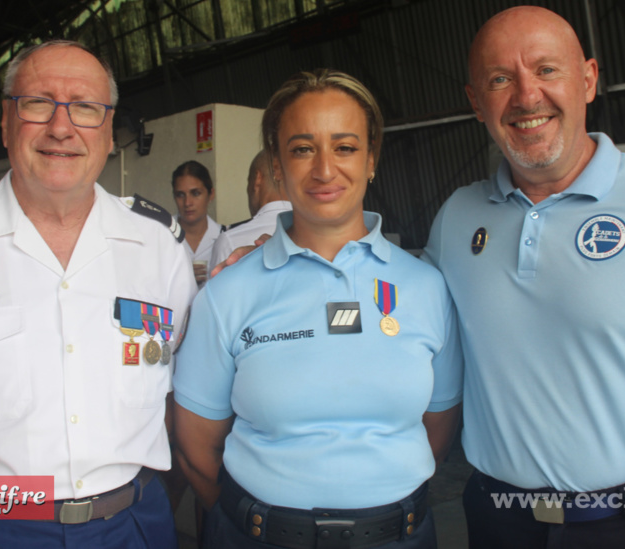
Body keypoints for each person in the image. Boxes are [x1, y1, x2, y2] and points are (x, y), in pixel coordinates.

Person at [422, 6, 625, 548]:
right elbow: (389, 310)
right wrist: (284, 244)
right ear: (476, 102)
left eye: (547, 70)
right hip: (497, 521)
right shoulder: (457, 218)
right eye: (501, 79)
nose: (527, 97)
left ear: (588, 79)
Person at [0, 40, 197, 548]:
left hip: (133, 525)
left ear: (109, 131)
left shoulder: (159, 246)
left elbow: (180, 395)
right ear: (6, 122)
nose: (61, 127)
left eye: (85, 108)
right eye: (38, 103)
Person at [172, 69, 462, 549]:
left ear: (372, 159)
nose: (325, 170)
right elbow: (197, 448)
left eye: (345, 147)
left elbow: (438, 429)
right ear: (277, 166)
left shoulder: (426, 288)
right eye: (303, 148)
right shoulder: (229, 292)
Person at [207, 150, 292, 275]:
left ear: (257, 179)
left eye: (248, 181)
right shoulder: (315, 235)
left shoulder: (230, 241)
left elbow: (216, 292)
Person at [172, 160, 223, 287]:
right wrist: (184, 277)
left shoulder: (224, 236)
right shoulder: (162, 234)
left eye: (195, 193)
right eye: (180, 195)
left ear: (211, 194)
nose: (187, 202)